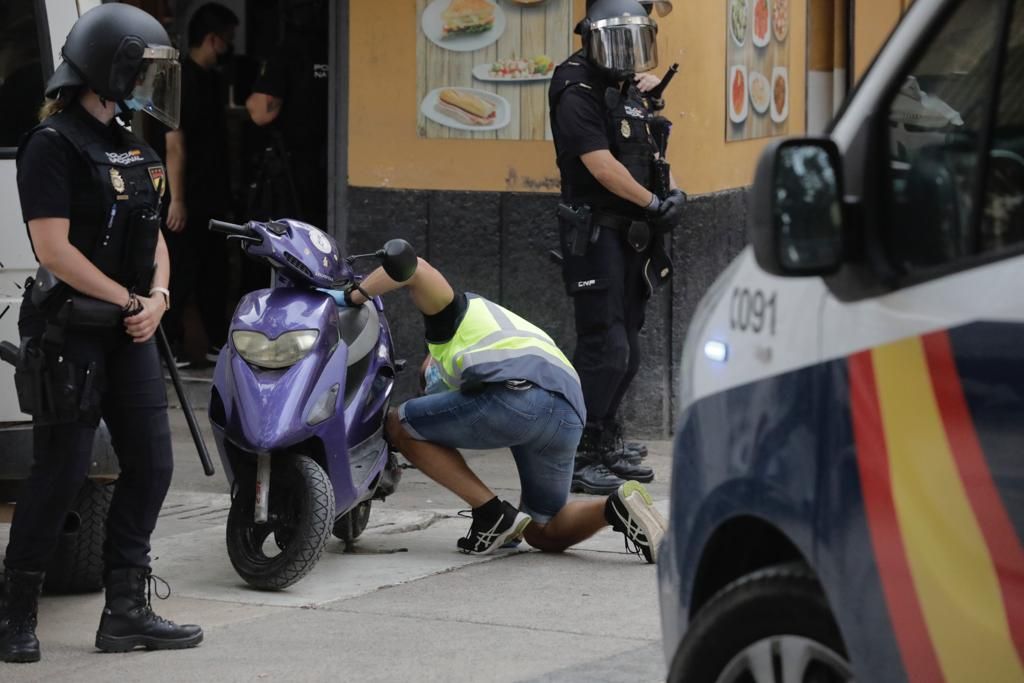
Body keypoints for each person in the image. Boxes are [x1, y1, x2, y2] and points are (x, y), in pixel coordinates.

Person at [0, 4, 202, 663]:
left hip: (131, 329)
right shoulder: (51, 145)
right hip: (72, 333)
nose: (147, 82)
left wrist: (159, 300)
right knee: (60, 473)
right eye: (140, 68)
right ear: (108, 68)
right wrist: (126, 299)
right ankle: (13, 616)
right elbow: (52, 249)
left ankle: (126, 611)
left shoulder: (135, 145)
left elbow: (153, 240)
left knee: (151, 463)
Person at [347, 253, 667, 563]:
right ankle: (618, 507)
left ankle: (491, 514)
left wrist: (353, 296)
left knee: (399, 424)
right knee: (543, 530)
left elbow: (413, 266)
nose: (429, 382)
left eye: (426, 379)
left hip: (518, 397)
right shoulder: (500, 328)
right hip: (568, 413)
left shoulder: (449, 319)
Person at [548, 0, 687, 495]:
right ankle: (577, 452)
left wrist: (672, 193)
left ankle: (605, 438)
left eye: (636, 41)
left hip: (634, 233)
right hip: (597, 231)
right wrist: (654, 203)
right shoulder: (576, 87)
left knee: (628, 347)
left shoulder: (623, 86)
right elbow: (601, 166)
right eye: (620, 41)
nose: (629, 55)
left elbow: (646, 152)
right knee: (603, 345)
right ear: (591, 36)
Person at [161, 3, 238, 365]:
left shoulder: (212, 79)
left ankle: (210, 343)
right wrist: (177, 199)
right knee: (180, 270)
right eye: (228, 38)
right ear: (213, 39)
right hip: (187, 194)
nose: (231, 46)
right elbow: (174, 144)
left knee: (213, 269)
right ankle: (171, 344)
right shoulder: (181, 81)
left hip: (210, 193)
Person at [244, 0, 329, 232]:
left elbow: (261, 113)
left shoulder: (288, 51)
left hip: (294, 165)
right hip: (332, 160)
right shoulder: (337, 46)